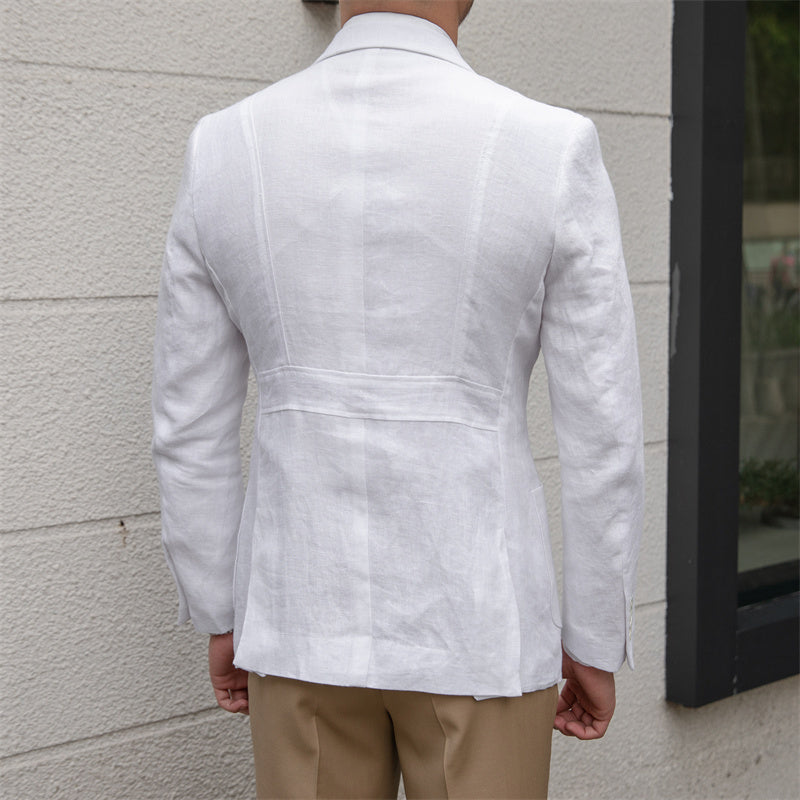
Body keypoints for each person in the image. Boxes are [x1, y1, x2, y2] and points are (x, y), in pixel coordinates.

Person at [151, 1, 644, 797]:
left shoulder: (225, 146)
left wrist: (220, 608)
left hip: (298, 615)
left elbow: (188, 425)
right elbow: (603, 430)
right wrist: (594, 634)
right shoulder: (551, 148)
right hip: (481, 625)